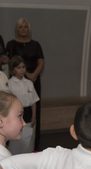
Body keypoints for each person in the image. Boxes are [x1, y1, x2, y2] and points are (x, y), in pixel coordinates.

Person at [6, 17, 44, 150]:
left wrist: (33, 75)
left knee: (33, 111)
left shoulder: (36, 44)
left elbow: (41, 62)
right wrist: (26, 73)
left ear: (29, 29)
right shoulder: (11, 44)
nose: (23, 29)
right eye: (21, 27)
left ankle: (33, 145)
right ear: (17, 29)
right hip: (19, 80)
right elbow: (9, 61)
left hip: (33, 80)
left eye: (25, 27)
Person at [6, 55, 40, 154]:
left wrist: (34, 117)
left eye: (23, 67)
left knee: (28, 140)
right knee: (16, 141)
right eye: (18, 68)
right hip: (16, 114)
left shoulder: (29, 83)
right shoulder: (10, 84)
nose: (22, 70)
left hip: (29, 114)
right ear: (13, 70)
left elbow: (34, 101)